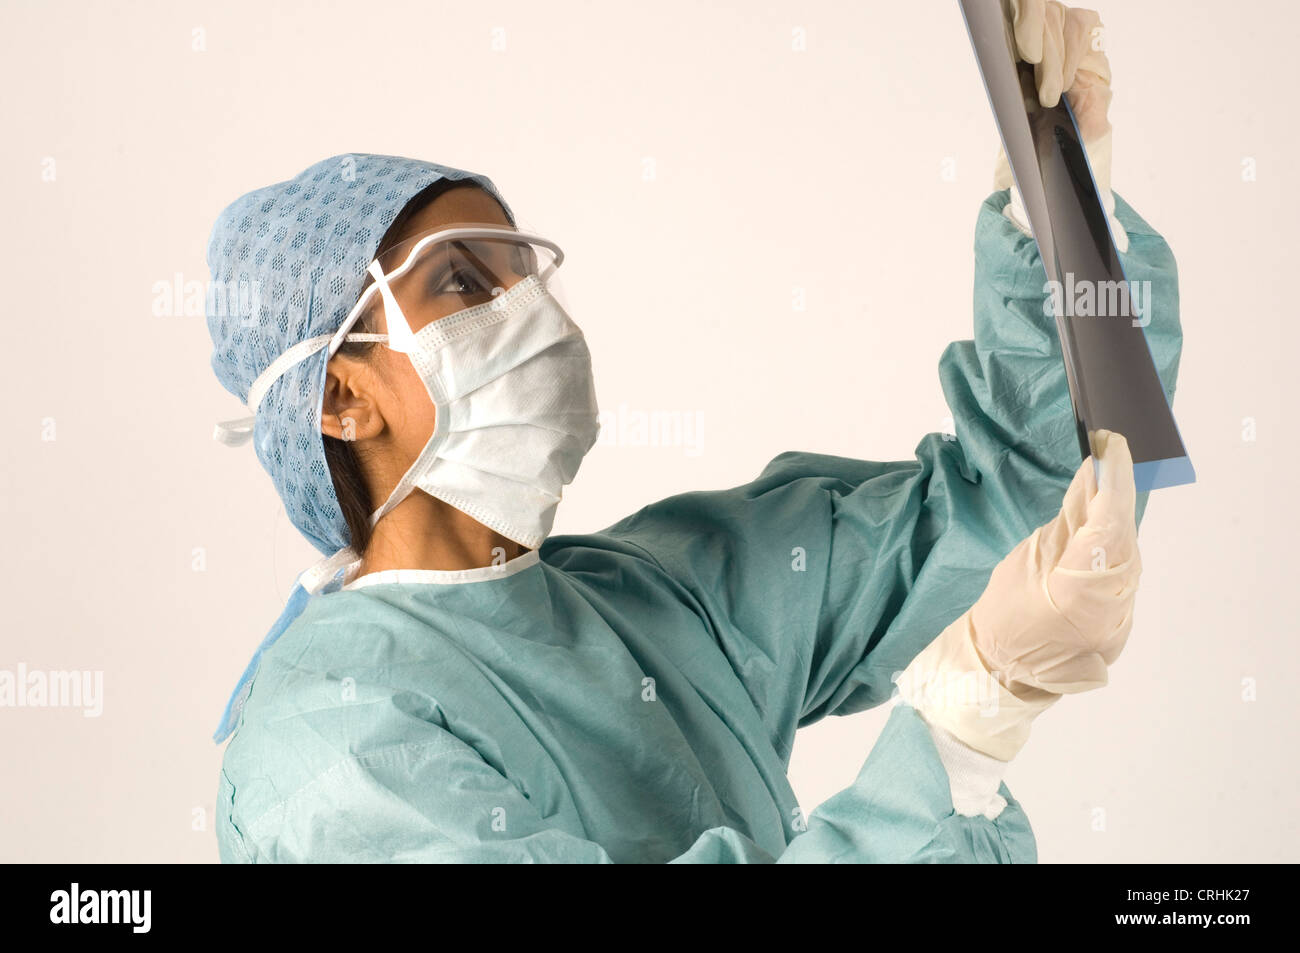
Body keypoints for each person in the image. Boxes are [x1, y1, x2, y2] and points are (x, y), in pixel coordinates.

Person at [206, 2, 1182, 862]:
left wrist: (1053, 191)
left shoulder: (661, 600)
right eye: (463, 281)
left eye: (525, 271)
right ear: (341, 396)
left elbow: (1027, 500)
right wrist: (959, 740)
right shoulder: (331, 747)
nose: (533, 313)